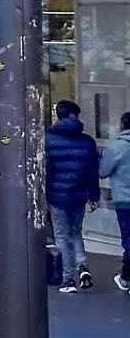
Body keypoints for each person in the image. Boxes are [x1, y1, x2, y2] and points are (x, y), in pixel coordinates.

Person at [44, 99, 101, 293]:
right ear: (75, 116)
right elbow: (92, 171)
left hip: (56, 195)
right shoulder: (87, 141)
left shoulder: (48, 140)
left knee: (62, 236)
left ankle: (68, 279)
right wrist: (94, 196)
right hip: (79, 195)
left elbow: (45, 169)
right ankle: (82, 266)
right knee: (75, 231)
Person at [100, 112, 130, 292]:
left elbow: (103, 171)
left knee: (128, 239)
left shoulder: (116, 147)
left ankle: (126, 277)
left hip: (124, 202)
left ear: (122, 125)